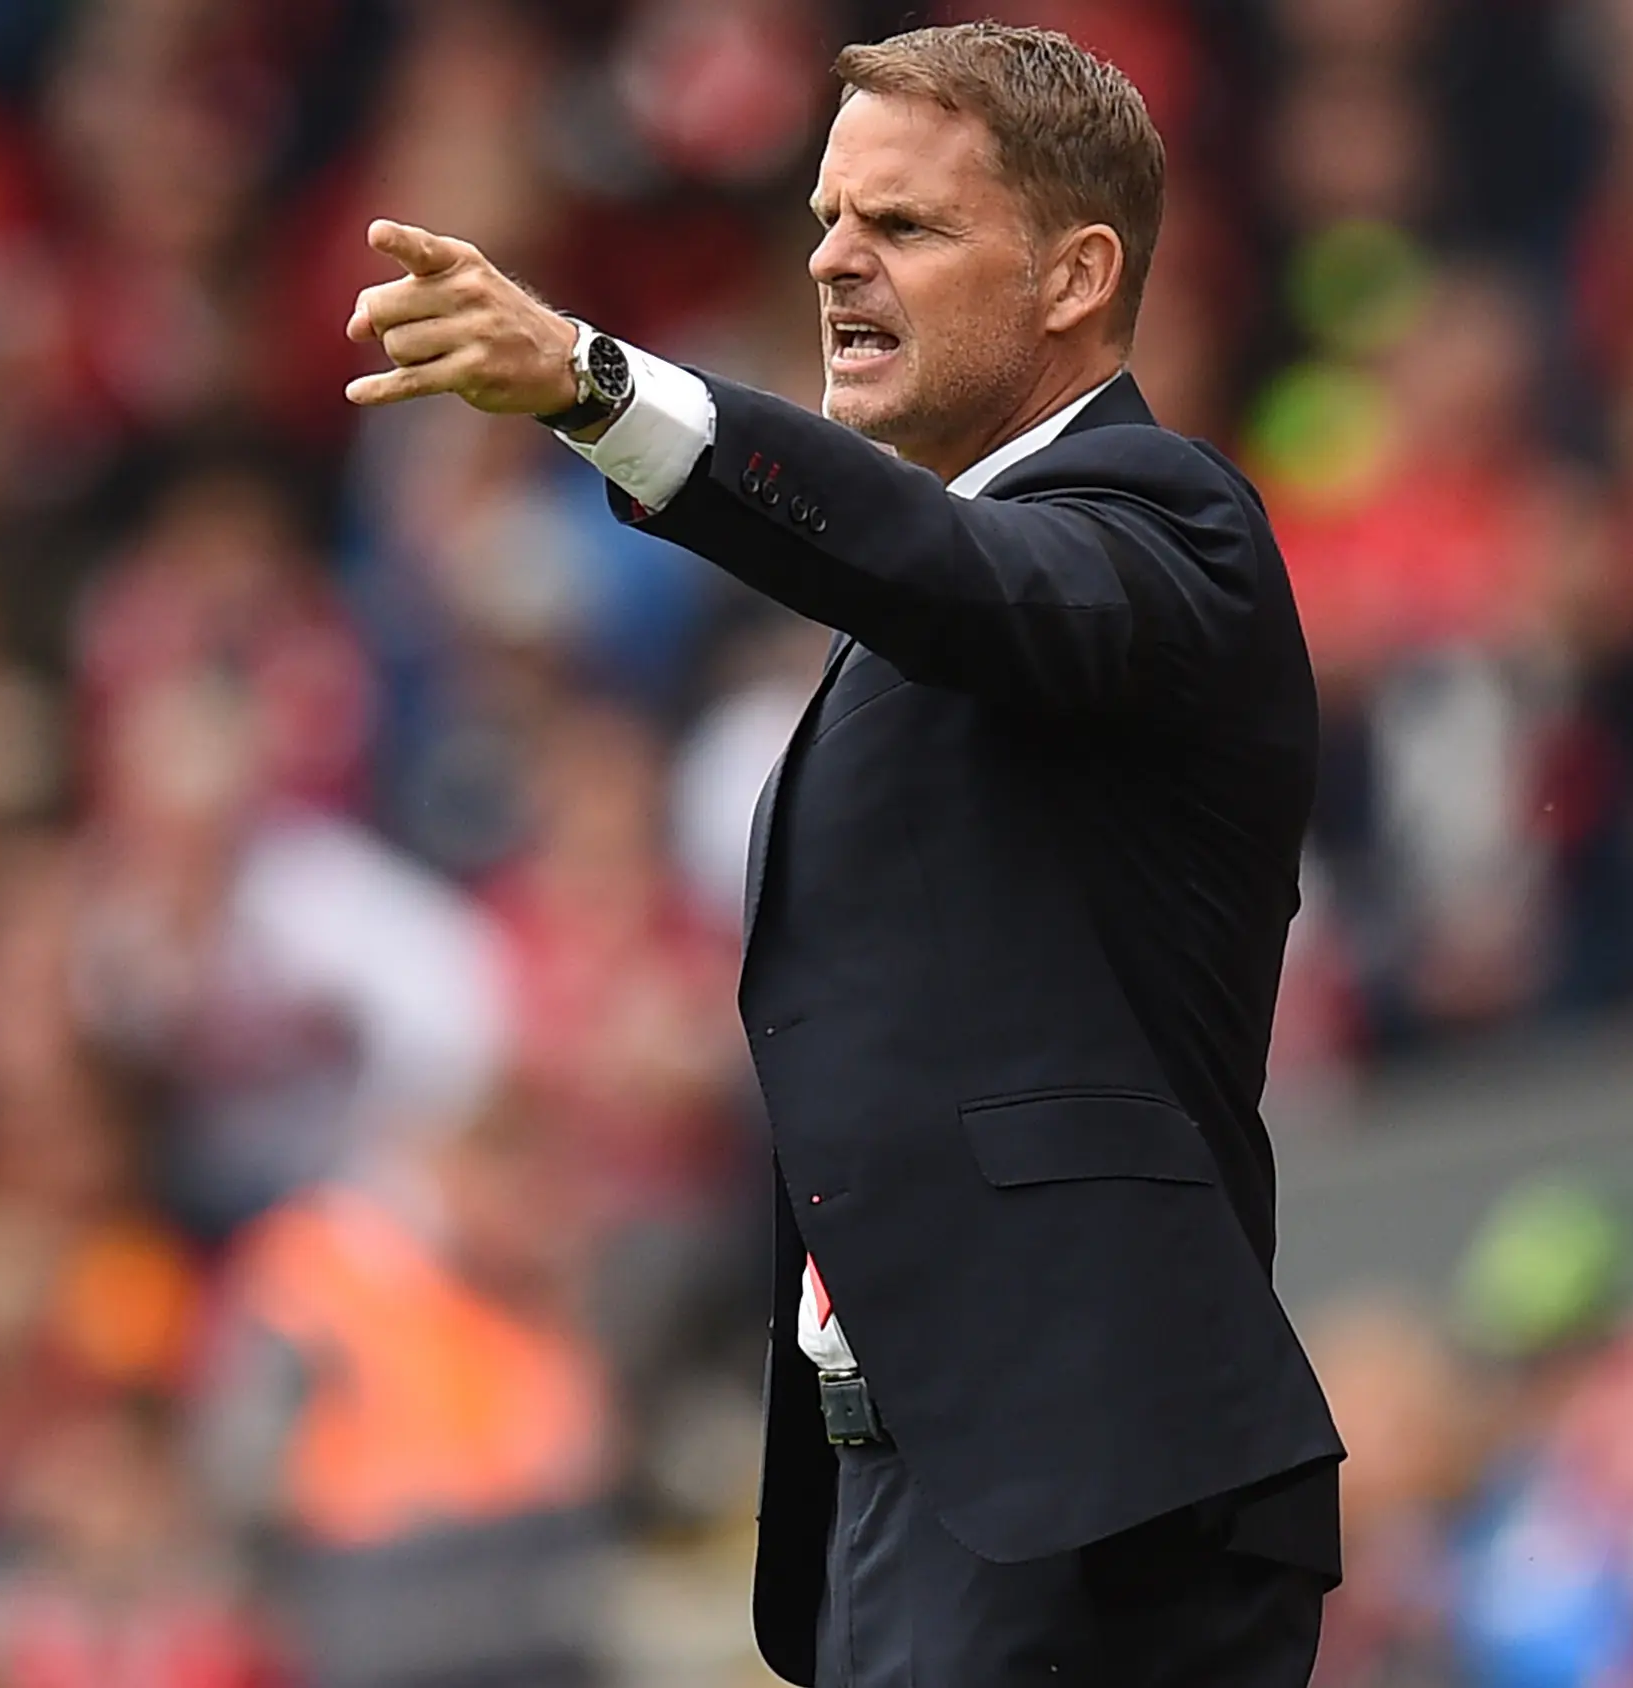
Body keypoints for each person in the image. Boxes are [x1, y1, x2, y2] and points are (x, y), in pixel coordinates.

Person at [341, 21, 1342, 1688]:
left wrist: (602, 386)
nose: (832, 260)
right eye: (824, 218)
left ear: (1077, 275)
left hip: (1088, 1481)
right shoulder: (927, 593)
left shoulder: (1172, 528)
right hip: (935, 1483)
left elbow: (947, 575)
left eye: (906, 225)